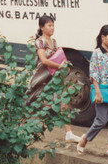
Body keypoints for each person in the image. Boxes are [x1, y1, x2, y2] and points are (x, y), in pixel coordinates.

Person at [77, 24, 108, 156]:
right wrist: (97, 92)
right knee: (101, 120)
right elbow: (94, 75)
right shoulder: (96, 54)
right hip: (102, 91)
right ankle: (85, 139)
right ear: (103, 37)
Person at [32, 15, 81, 143]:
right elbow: (44, 60)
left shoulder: (53, 42)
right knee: (32, 102)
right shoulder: (39, 42)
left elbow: (57, 57)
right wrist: (60, 66)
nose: (52, 28)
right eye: (49, 25)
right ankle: (22, 129)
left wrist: (64, 67)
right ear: (42, 27)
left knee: (63, 101)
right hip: (41, 77)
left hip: (53, 77)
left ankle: (69, 133)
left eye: (53, 25)